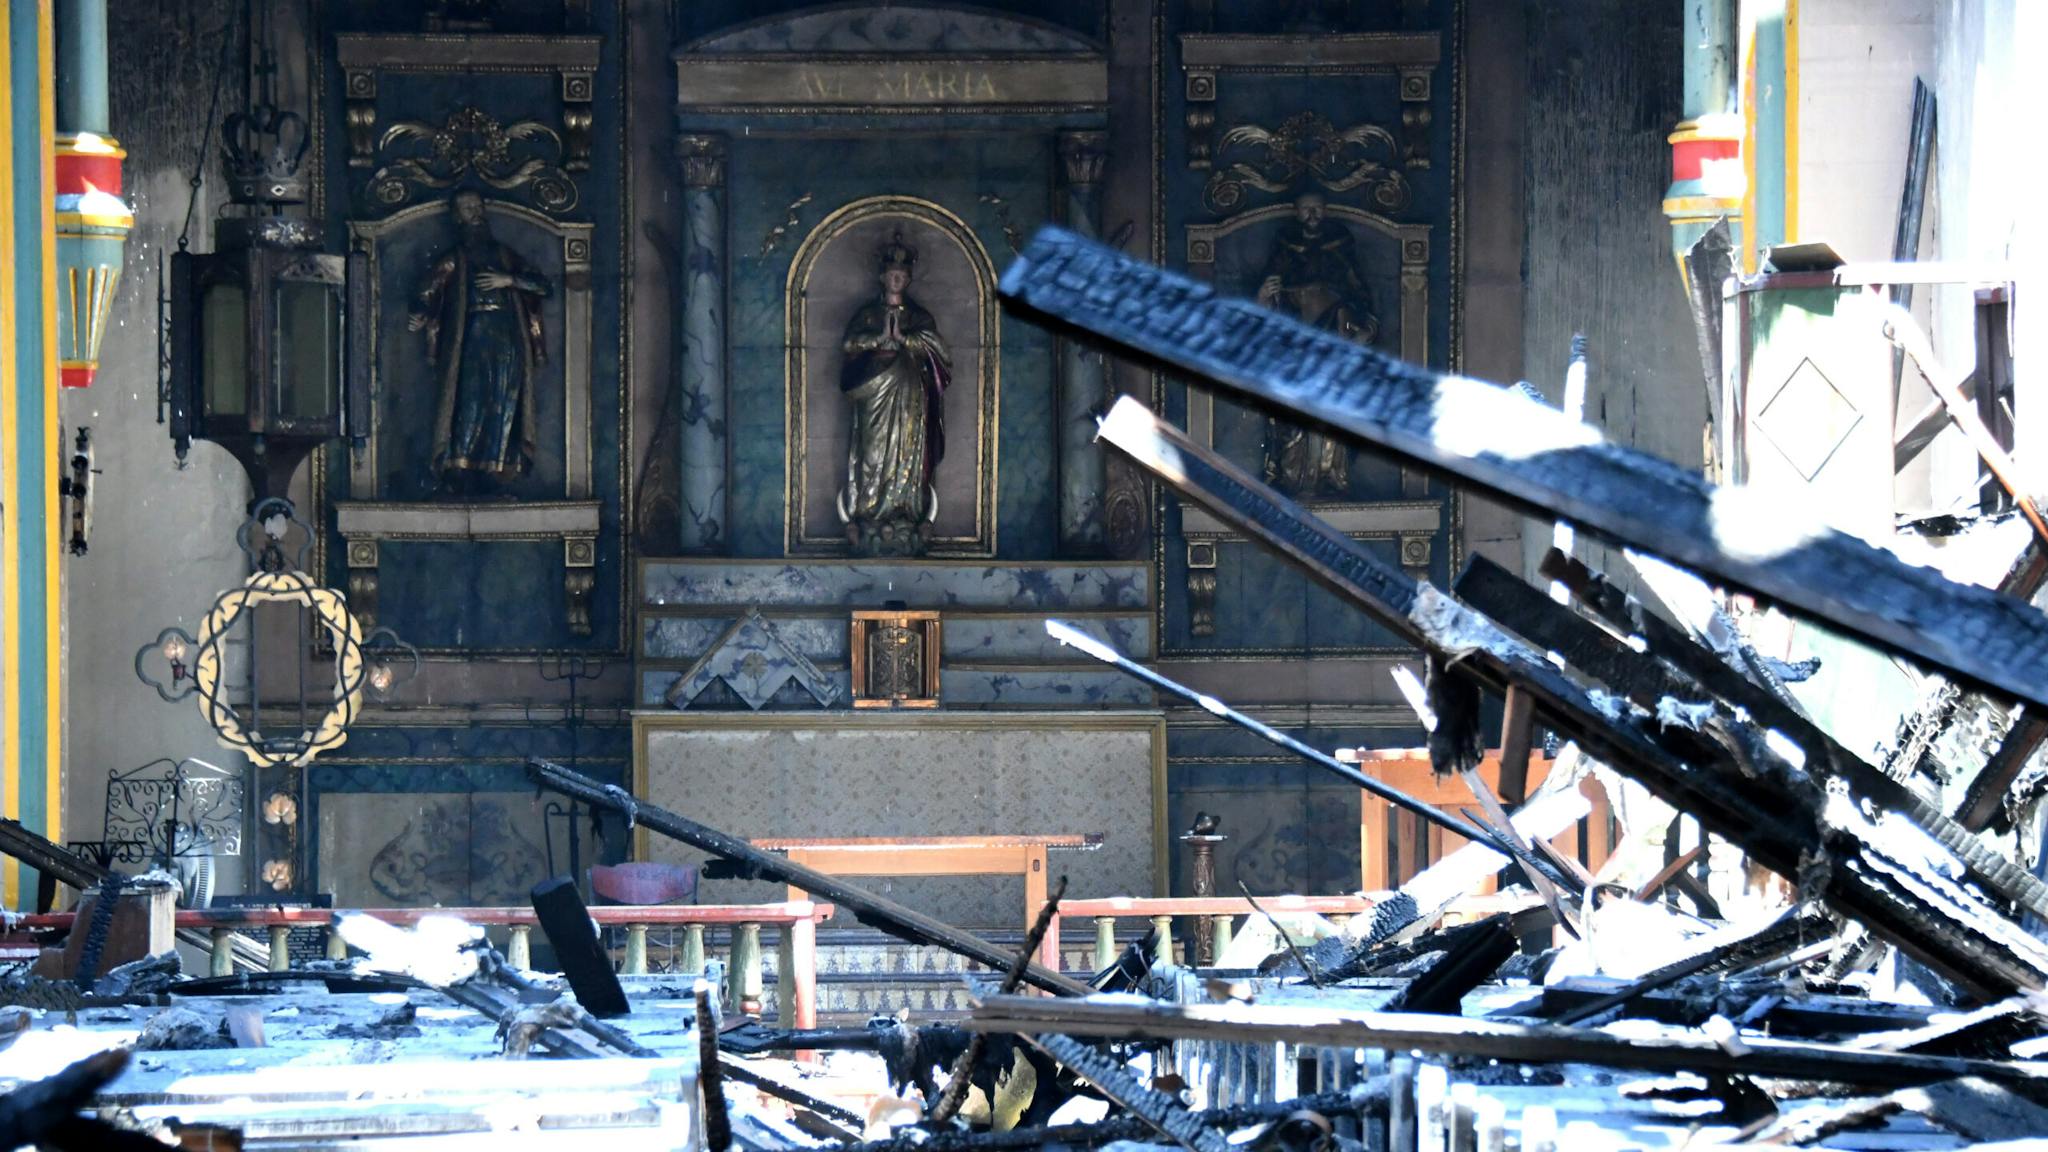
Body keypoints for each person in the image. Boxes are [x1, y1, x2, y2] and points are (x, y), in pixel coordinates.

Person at [409, 190, 550, 488]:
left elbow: (543, 285)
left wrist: (509, 280)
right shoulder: (456, 258)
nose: (474, 212)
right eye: (466, 208)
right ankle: (458, 465)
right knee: (469, 399)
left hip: (507, 334)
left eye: (478, 205)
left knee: (504, 398)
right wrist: (421, 312)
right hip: (470, 335)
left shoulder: (503, 255)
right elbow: (428, 287)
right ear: (456, 216)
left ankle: (495, 468)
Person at [836, 230, 951, 555]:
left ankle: (905, 510)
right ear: (882, 277)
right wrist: (876, 341)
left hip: (910, 396)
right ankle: (869, 512)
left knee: (906, 452)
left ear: (908, 279)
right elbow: (848, 344)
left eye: (902, 276)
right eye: (892, 275)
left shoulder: (918, 317)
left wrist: (905, 340)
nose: (896, 280)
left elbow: (941, 353)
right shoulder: (868, 315)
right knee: (873, 454)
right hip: (874, 397)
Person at [1257, 192, 1378, 497]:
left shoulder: (1340, 245)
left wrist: (1362, 328)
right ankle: (1292, 478)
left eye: (1317, 209)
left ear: (1325, 212)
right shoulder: (1285, 246)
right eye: (1306, 209)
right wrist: (1264, 295)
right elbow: (1266, 303)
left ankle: (1331, 475)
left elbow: (1359, 293)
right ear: (1296, 212)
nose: (1312, 215)